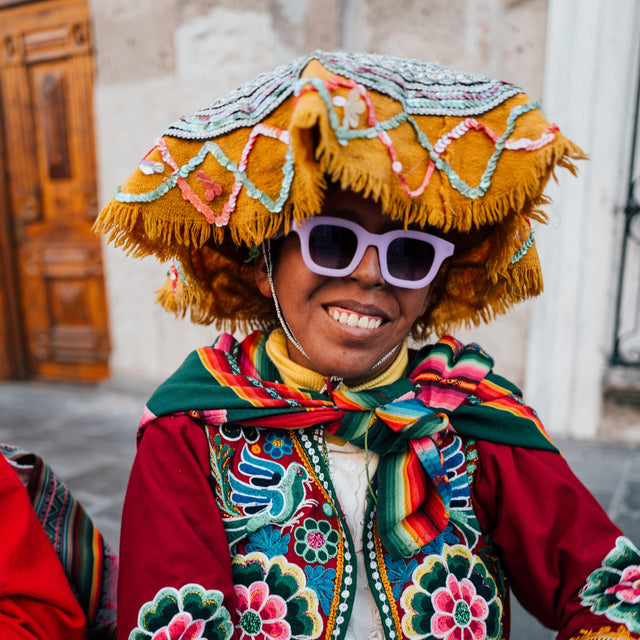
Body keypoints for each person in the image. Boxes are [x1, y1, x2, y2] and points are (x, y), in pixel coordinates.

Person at [96, 51, 640, 640]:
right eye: (332, 240)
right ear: (265, 264)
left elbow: (616, 594)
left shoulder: (475, 414)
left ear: (432, 288)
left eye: (410, 254)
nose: (372, 275)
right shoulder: (189, 433)